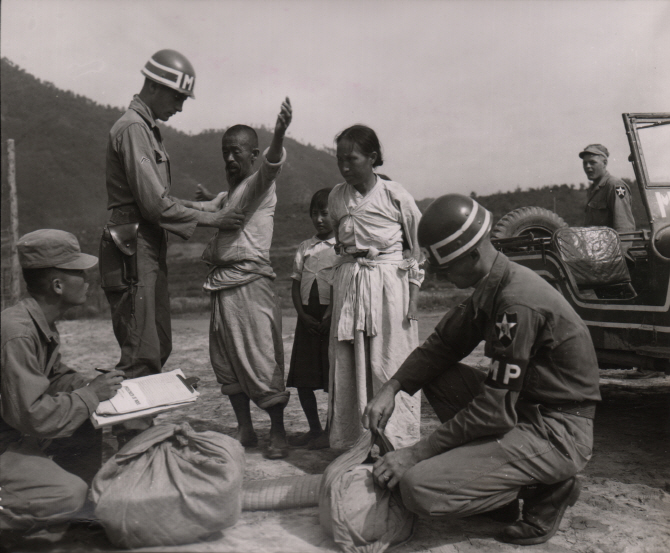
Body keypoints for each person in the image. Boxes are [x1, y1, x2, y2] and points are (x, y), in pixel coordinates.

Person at [363, 194, 601, 546]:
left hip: (558, 431)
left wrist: (415, 453)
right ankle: (496, 492)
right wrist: (393, 387)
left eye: (446, 269)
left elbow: (493, 411)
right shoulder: (495, 282)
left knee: (418, 489)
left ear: (473, 255)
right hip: (527, 410)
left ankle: (545, 490)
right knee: (438, 375)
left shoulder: (517, 303)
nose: (441, 279)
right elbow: (444, 345)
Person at [100, 50, 244, 442]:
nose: (180, 107)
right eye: (178, 98)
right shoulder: (133, 129)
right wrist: (215, 218)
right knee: (141, 352)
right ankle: (130, 447)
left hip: (143, 245)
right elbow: (152, 204)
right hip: (132, 248)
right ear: (154, 86)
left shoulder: (146, 130)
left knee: (155, 344)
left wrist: (202, 205)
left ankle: (134, 437)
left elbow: (155, 199)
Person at [0, 230, 124, 533]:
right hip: (10, 439)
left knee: (87, 412)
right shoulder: (17, 332)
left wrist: (98, 386)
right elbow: (33, 415)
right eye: (79, 273)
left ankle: (72, 516)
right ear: (57, 285)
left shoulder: (35, 321)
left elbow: (55, 378)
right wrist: (90, 395)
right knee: (66, 495)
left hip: (15, 433)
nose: (87, 279)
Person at [202, 98, 293, 460]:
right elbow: (205, 209)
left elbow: (272, 165)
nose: (229, 159)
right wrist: (160, 202)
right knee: (225, 360)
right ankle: (245, 429)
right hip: (221, 286)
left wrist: (281, 133)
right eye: (225, 152)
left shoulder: (260, 184)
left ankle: (279, 432)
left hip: (250, 285)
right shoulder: (230, 194)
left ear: (252, 154)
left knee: (260, 357)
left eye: (236, 152)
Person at [328, 125, 424, 450]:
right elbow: (338, 243)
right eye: (339, 159)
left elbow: (416, 248)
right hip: (350, 286)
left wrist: (413, 294)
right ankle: (355, 440)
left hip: (388, 286)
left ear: (371, 158)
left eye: (351, 159)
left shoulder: (396, 195)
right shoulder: (336, 197)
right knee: (350, 362)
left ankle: (397, 440)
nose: (344, 167)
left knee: (390, 358)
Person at [286, 188, 337, 450]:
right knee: (303, 379)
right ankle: (314, 429)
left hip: (331, 321)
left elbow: (342, 285)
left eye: (325, 213)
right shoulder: (305, 247)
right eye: (314, 214)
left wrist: (330, 315)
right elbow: (296, 285)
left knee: (332, 380)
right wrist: (302, 315)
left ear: (336, 214)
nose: (319, 219)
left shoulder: (340, 247)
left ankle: (330, 431)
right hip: (307, 320)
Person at [580, 143, 635, 244]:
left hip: (610, 255)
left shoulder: (614, 185)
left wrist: (618, 257)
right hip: (595, 252)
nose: (587, 167)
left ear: (604, 163)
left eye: (592, 162)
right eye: (585, 163)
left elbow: (624, 228)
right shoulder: (593, 190)